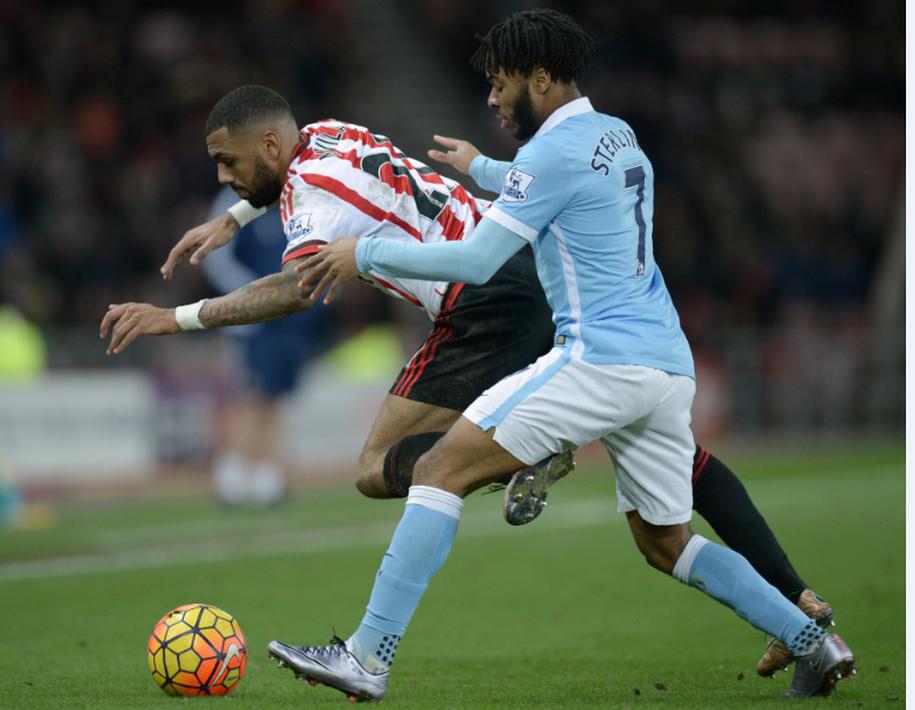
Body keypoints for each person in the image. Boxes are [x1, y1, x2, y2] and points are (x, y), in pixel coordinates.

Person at [99, 78, 839, 696]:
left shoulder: (310, 203)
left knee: (394, 469)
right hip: (536, 284)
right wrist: (234, 216)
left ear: (266, 147)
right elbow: (286, 173)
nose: (223, 180)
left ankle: (376, 643)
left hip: (475, 301)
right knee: (665, 519)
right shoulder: (324, 133)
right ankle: (805, 623)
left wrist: (177, 317)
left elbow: (297, 289)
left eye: (228, 165)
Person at [277, 9, 855, 700]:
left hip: (597, 359)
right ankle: (809, 641)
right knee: (664, 543)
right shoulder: (614, 132)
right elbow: (556, 182)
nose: (490, 98)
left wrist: (361, 250)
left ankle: (366, 657)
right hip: (665, 366)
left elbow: (478, 258)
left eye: (500, 84)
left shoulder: (550, 154)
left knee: (436, 468)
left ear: (541, 79)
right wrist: (481, 166)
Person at [200, 188, 327, 507]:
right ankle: (231, 478)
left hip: (292, 322)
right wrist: (247, 300)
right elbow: (216, 257)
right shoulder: (235, 201)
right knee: (251, 397)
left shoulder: (298, 195)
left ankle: (266, 480)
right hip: (256, 325)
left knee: (276, 398)